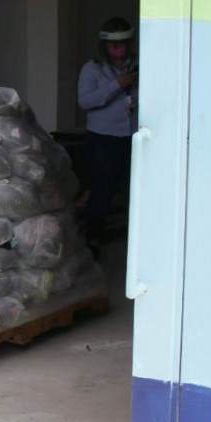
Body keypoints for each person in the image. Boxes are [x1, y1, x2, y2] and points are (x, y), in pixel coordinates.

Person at [77, 16, 138, 252]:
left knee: (133, 189)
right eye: (114, 46)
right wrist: (116, 85)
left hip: (132, 137)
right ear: (105, 46)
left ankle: (134, 239)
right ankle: (93, 237)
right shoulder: (92, 69)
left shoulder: (138, 65)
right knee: (101, 190)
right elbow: (85, 101)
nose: (120, 50)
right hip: (102, 138)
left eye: (124, 44)